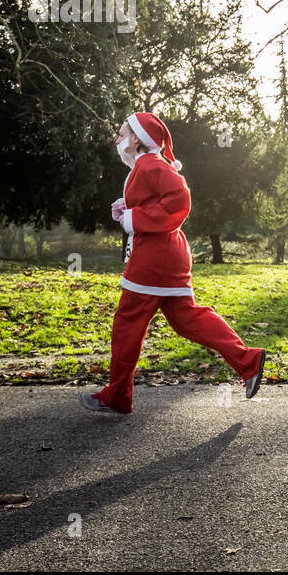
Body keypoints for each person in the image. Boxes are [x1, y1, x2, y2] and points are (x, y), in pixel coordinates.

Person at [80, 111, 266, 414]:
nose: (117, 137)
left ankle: (117, 395)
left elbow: (179, 200)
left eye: (123, 131)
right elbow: (157, 200)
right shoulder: (147, 165)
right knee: (186, 319)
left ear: (137, 138)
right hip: (169, 253)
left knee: (127, 324)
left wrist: (134, 217)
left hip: (154, 258)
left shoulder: (151, 164)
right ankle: (248, 360)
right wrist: (127, 207)